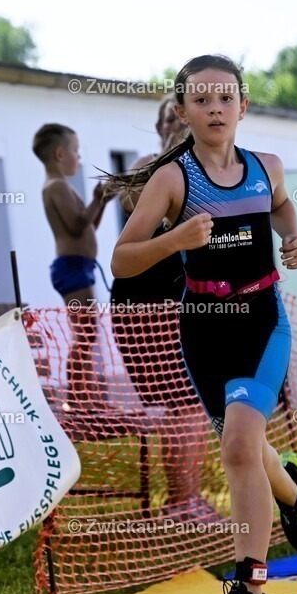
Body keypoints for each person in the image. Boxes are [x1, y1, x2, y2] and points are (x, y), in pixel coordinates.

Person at [111, 55, 297, 594]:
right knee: (247, 447)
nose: (215, 108)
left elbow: (279, 206)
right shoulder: (172, 179)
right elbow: (123, 260)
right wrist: (174, 236)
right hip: (202, 328)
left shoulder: (267, 167)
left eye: (225, 98)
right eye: (201, 100)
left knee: (235, 449)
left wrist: (295, 239)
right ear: (183, 111)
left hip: (262, 320)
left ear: (244, 106)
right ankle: (292, 493)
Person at [110, 95, 211, 519]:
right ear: (160, 127)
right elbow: (134, 208)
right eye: (173, 118)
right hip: (146, 303)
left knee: (191, 401)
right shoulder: (148, 168)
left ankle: (186, 499)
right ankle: (183, 502)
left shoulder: (210, 172)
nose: (181, 124)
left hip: (189, 302)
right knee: (184, 400)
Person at [37, 123, 114, 408]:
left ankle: (86, 396)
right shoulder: (55, 187)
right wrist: (97, 198)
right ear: (60, 154)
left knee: (88, 333)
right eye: (75, 151)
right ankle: (78, 399)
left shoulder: (63, 187)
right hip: (71, 267)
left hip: (80, 266)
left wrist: (102, 203)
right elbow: (76, 224)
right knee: (85, 334)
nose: (78, 157)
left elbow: (88, 225)